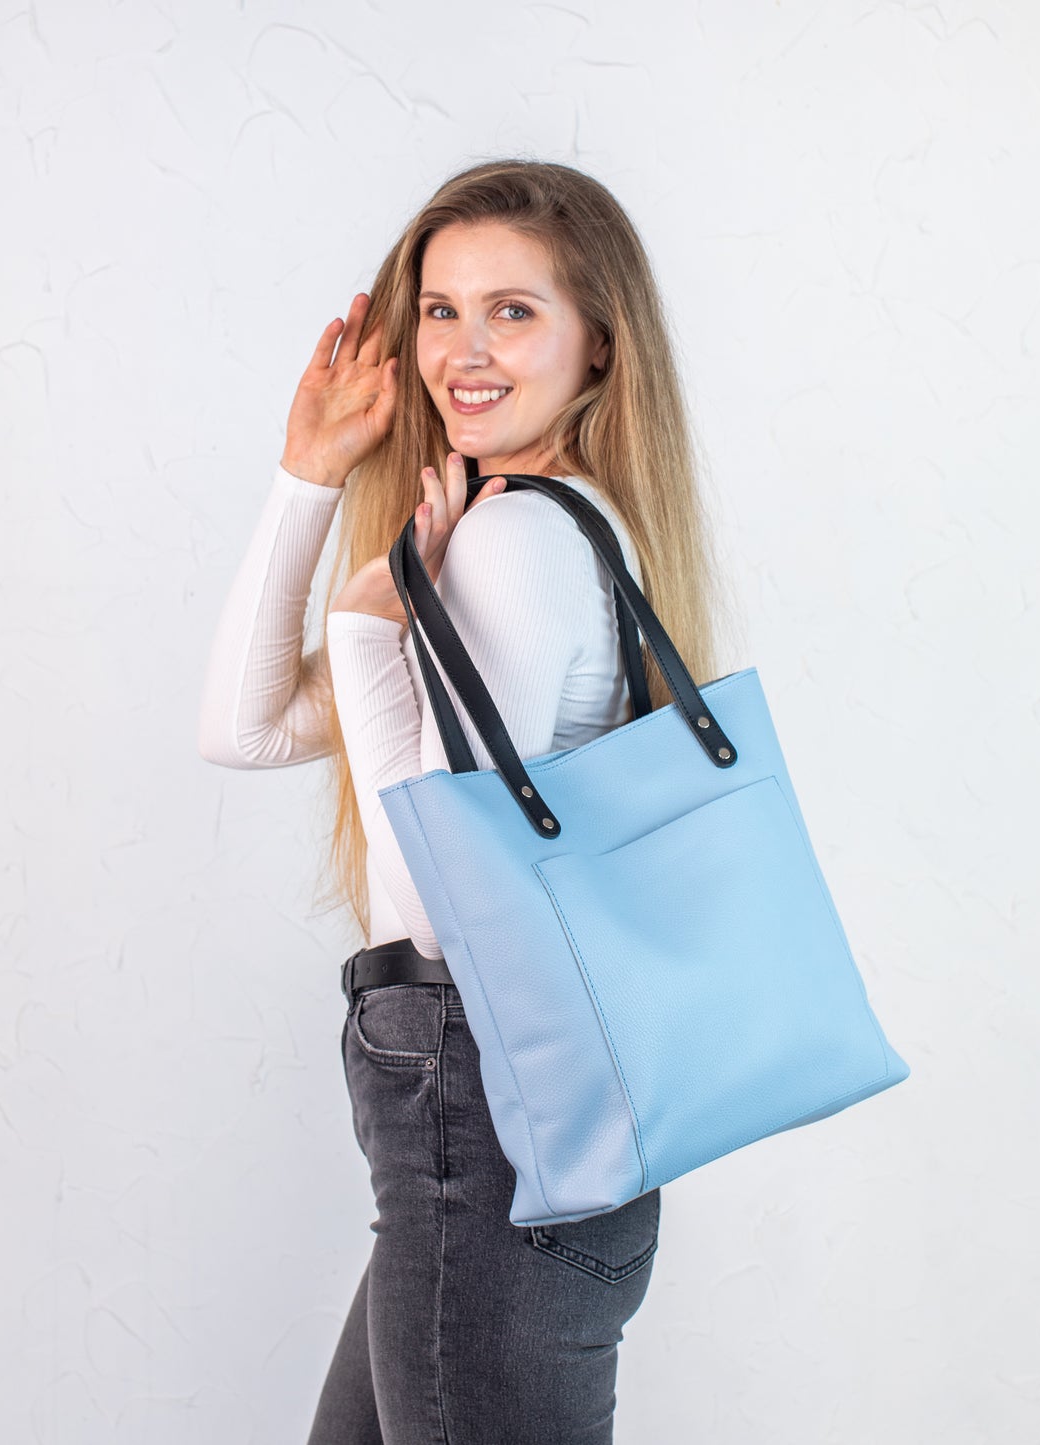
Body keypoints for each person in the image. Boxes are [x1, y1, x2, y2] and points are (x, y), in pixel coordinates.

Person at [197, 159, 727, 1444]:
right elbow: (245, 725)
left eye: (511, 310)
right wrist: (308, 473)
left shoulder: (519, 539)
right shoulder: (493, 531)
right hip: (495, 1144)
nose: (462, 350)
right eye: (439, 310)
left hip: (487, 1125)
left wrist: (370, 643)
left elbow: (450, 899)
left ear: (598, 343)